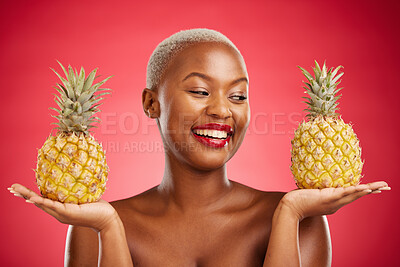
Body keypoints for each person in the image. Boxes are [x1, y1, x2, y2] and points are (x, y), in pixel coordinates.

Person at [9, 29, 390, 267]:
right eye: (199, 91)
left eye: (238, 95)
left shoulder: (301, 220)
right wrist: (109, 229)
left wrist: (289, 213)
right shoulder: (95, 225)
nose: (222, 110)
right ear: (151, 103)